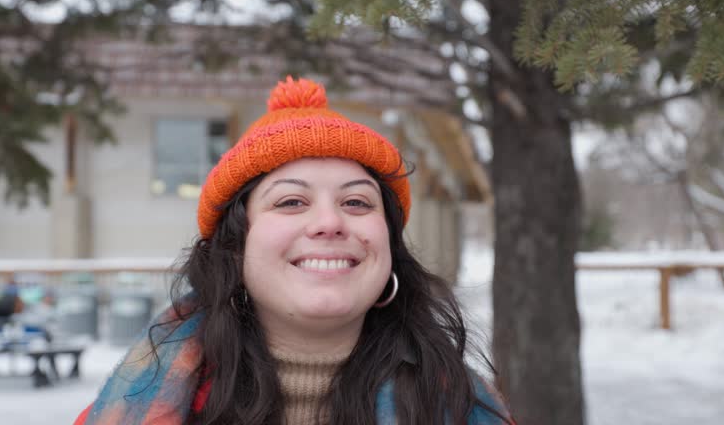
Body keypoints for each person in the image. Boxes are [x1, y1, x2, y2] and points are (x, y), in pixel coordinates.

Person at [75, 77, 514, 425]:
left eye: (357, 202)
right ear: (234, 246)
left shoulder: (463, 407)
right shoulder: (134, 404)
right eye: (291, 202)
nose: (329, 223)